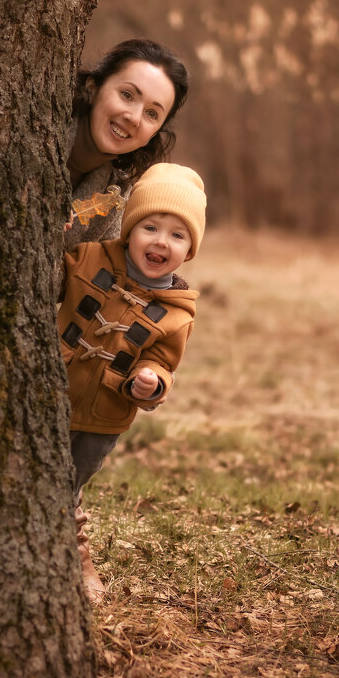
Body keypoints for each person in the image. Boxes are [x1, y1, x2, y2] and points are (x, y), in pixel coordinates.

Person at [59, 163, 207, 601]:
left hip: (101, 416)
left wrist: (151, 382)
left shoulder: (176, 314)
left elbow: (163, 363)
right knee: (46, 479)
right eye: (151, 227)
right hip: (49, 391)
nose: (161, 241)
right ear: (130, 229)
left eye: (178, 235)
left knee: (72, 481)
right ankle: (73, 553)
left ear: (189, 250)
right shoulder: (90, 258)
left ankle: (70, 551)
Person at [64, 38, 189, 248]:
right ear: (93, 87)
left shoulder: (117, 196)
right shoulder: (37, 130)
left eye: (152, 113)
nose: (134, 118)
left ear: (155, 133)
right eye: (127, 95)